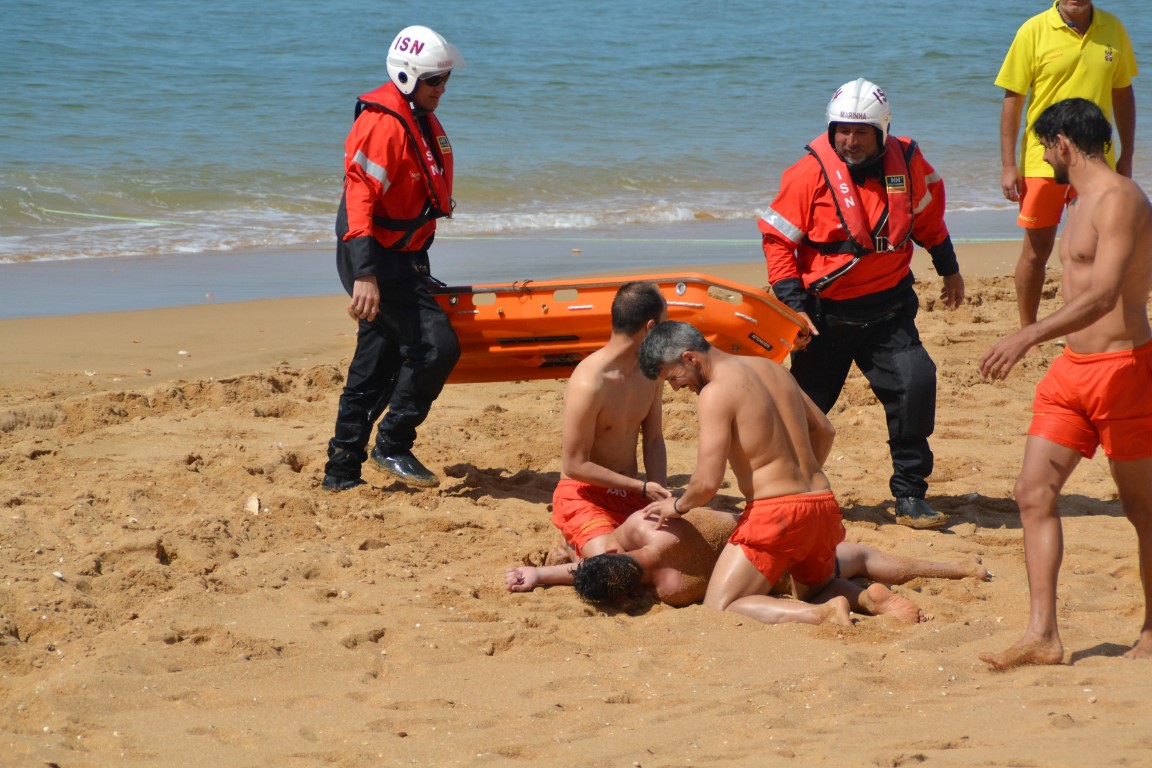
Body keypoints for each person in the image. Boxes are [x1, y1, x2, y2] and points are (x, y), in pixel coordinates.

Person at [979, 98, 1152, 668]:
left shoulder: (1121, 199)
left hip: (1125, 370)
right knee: (1033, 493)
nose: (1043, 158)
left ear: (1062, 144)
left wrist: (1026, 336)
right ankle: (1043, 636)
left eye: (1044, 147)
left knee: (1142, 509)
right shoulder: (1075, 202)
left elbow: (1104, 294)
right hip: (1072, 372)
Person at [758, 78, 965, 529]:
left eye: (861, 133)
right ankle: (785, 491)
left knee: (916, 385)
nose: (850, 142)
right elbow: (777, 243)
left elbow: (929, 218)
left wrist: (949, 268)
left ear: (882, 133)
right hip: (822, 317)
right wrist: (793, 304)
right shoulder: (806, 174)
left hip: (888, 312)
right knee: (803, 409)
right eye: (842, 132)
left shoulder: (907, 165)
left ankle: (910, 496)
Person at [636, 320, 925, 626]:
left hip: (775, 515)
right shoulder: (772, 368)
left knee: (720, 607)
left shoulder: (715, 393)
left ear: (690, 357)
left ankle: (823, 614)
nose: (676, 388)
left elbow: (707, 482)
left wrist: (678, 505)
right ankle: (866, 598)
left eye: (673, 377)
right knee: (815, 589)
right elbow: (825, 430)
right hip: (822, 504)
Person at [322, 26, 465, 492]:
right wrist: (366, 274)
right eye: (434, 81)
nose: (442, 90)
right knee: (434, 347)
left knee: (378, 357)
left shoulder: (416, 114)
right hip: (373, 257)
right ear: (407, 79)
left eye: (445, 80)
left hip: (401, 258)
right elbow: (359, 197)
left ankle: (341, 473)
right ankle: (391, 444)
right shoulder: (384, 123)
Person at [505, 507, 989, 608]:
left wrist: (543, 576)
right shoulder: (647, 527)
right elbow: (602, 564)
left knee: (819, 589)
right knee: (860, 553)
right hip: (769, 534)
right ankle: (963, 568)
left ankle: (866, 602)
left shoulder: (668, 592)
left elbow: (597, 574)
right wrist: (547, 573)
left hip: (761, 576)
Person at [996, 0, 1138, 328]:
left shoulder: (1113, 29)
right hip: (1043, 161)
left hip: (1096, 162)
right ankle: (1028, 331)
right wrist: (1008, 165)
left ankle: (1087, 328)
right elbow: (1012, 101)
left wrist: (1126, 155)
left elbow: (1123, 94)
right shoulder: (1032, 30)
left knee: (1092, 250)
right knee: (1037, 251)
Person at [549, 281, 673, 558]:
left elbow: (653, 439)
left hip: (632, 494)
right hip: (584, 494)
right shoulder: (590, 381)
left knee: (671, 552)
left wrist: (660, 495)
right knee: (612, 564)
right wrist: (641, 487)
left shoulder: (651, 373)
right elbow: (574, 464)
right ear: (650, 328)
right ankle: (569, 548)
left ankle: (576, 546)